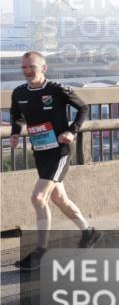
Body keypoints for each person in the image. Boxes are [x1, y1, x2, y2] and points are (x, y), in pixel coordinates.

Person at [10, 51, 101, 270]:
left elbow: (83, 108)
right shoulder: (19, 92)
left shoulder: (57, 89)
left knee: (38, 197)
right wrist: (15, 133)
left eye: (32, 67)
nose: (27, 71)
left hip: (59, 152)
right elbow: (17, 115)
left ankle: (41, 251)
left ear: (44, 68)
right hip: (40, 151)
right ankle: (89, 232)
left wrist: (72, 131)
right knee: (59, 199)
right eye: (24, 68)